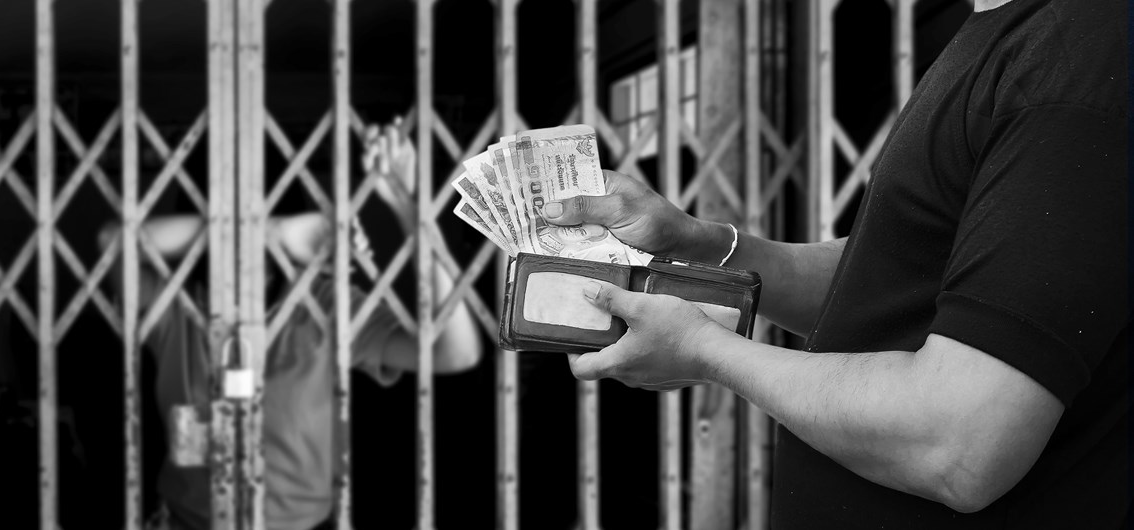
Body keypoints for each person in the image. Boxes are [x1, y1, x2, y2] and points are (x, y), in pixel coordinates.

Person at [543, 0, 1127, 527]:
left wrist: (707, 352)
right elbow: (905, 282)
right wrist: (701, 244)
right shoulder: (1012, 36)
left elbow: (960, 444)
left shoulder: (1073, 61)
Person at [101, 122, 482, 530]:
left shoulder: (323, 304)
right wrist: (268, 230)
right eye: (222, 219)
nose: (244, 244)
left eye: (264, 213)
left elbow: (455, 352)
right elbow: (112, 241)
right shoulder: (175, 306)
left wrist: (408, 209)